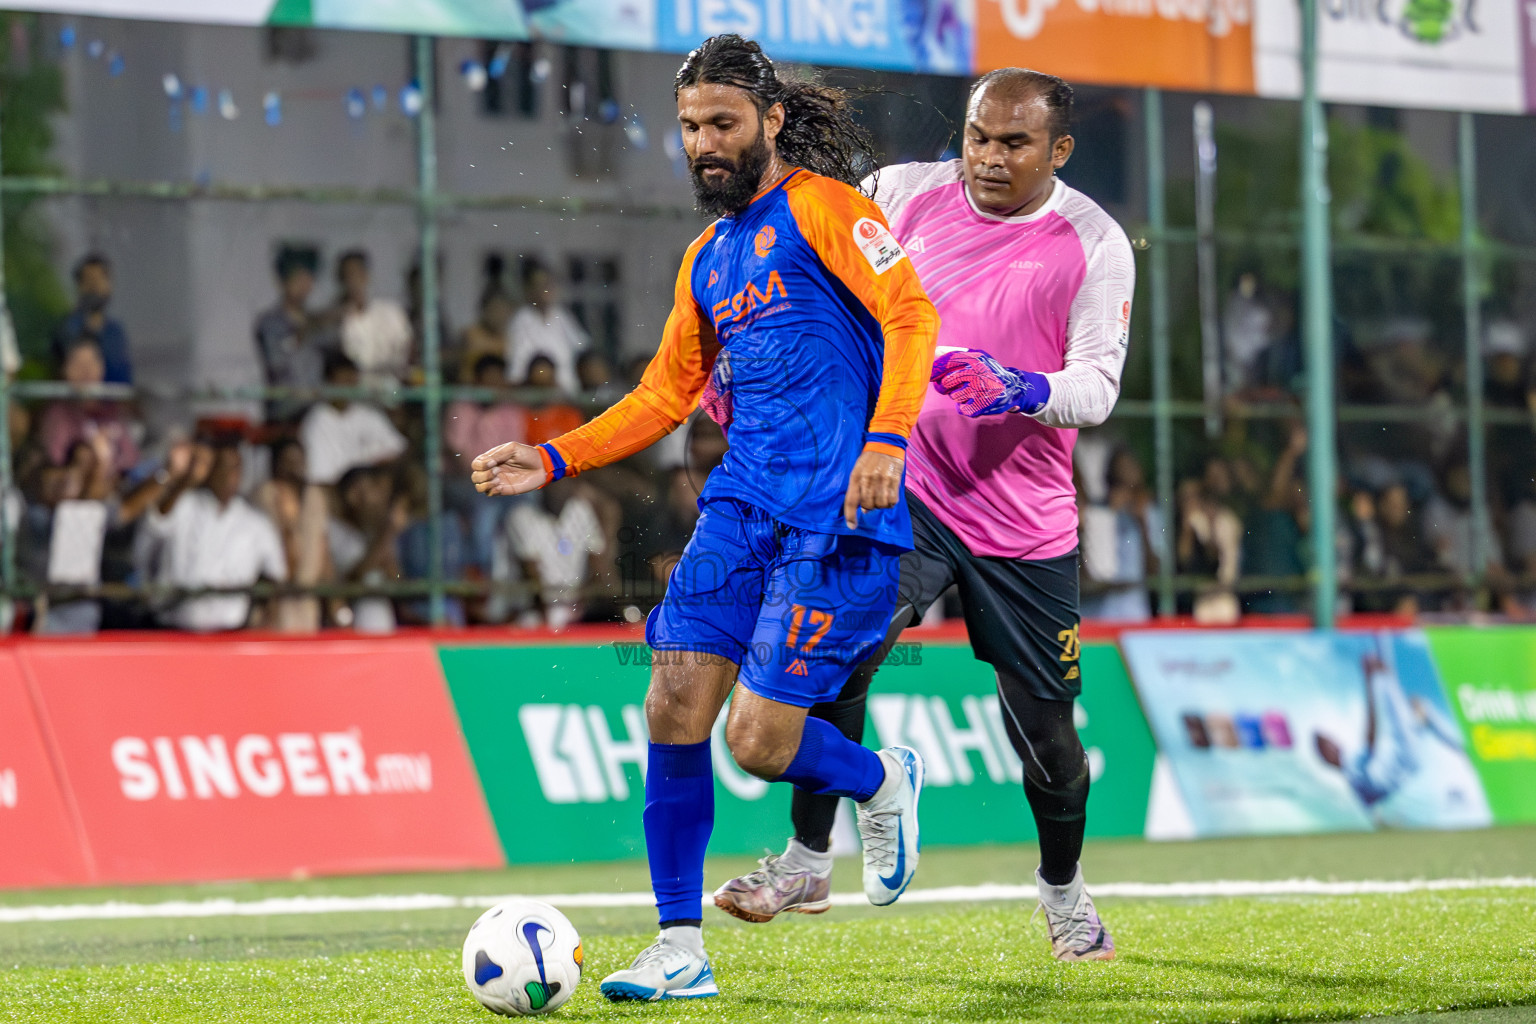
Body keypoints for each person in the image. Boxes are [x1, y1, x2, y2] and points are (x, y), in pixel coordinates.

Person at [472, 34, 940, 1002]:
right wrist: (554, 456)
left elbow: (912, 316)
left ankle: (878, 777)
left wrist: (888, 437)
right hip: (739, 511)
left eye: (722, 123)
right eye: (689, 127)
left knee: (758, 744)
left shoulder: (828, 211)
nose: (703, 144)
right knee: (672, 702)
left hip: (837, 517)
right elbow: (660, 396)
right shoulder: (707, 259)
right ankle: (679, 944)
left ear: (770, 119)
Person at [712, 66, 1133, 963]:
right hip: (905, 492)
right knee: (823, 659)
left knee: (1049, 740)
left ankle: (1063, 893)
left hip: (1023, 528)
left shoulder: (1093, 242)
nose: (987, 156)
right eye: (979, 135)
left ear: (1057, 149)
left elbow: (1097, 385)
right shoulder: (900, 195)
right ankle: (806, 858)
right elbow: (811, 282)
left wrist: (1021, 387)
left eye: (1014, 143)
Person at [140, 442, 288, 632]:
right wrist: (187, 480)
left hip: (229, 633)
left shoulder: (256, 523)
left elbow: (276, 576)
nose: (229, 474)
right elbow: (157, 522)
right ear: (211, 470)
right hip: (174, 627)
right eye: (222, 466)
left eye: (235, 467)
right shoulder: (184, 503)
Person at [299, 352, 408, 486]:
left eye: (351, 381)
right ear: (330, 382)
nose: (348, 387)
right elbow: (320, 475)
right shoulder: (316, 421)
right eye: (343, 381)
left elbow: (397, 448)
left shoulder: (368, 416)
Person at [254, 245, 325, 422]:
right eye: (297, 278)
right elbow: (277, 362)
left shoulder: (318, 320)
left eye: (308, 278)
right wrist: (304, 332)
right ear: (283, 280)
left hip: (317, 412)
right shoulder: (270, 322)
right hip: (284, 413)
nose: (304, 284)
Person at [505, 259, 590, 394]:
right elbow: (518, 366)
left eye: (549, 284)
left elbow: (583, 350)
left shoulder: (561, 316)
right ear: (528, 289)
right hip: (534, 394)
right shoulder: (521, 319)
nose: (545, 290)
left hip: (566, 394)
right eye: (539, 285)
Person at [334, 249, 413, 389]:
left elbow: (407, 350)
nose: (352, 280)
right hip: (356, 394)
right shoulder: (337, 321)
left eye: (357, 273)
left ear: (366, 276)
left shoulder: (391, 312)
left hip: (393, 390)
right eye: (347, 275)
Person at [53, 253, 132, 384]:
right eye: (89, 280)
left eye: (100, 279)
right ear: (79, 286)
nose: (94, 286)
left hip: (112, 402)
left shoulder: (115, 331)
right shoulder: (67, 329)